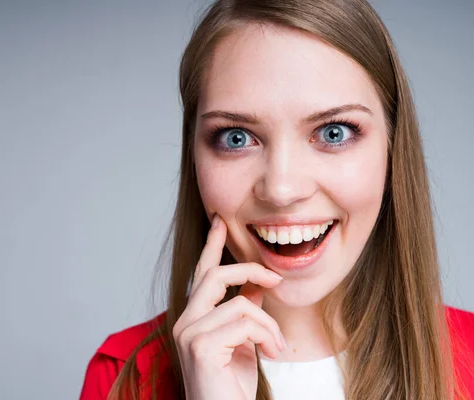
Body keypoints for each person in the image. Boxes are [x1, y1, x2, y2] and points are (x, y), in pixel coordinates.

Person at [80, 0, 474, 399]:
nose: (282, 190)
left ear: (393, 147)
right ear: (194, 155)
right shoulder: (123, 377)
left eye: (333, 132)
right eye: (236, 138)